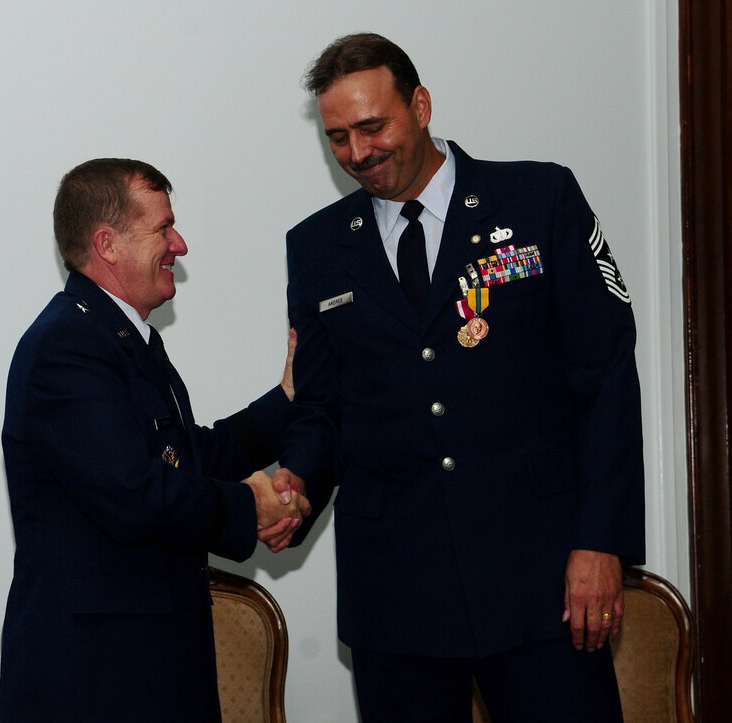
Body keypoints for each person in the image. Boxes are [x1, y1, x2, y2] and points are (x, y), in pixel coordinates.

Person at [273, 33, 645, 721]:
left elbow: (604, 378)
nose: (358, 153)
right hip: (397, 592)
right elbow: (323, 407)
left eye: (372, 126)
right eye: (337, 138)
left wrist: (601, 538)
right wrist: (292, 485)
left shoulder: (538, 198)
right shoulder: (318, 247)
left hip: (541, 580)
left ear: (420, 105)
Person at [0, 158, 309, 722]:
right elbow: (135, 495)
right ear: (107, 244)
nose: (179, 244)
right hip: (97, 682)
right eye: (163, 228)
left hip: (148, 668)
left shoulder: (118, 338)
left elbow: (190, 456)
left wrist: (288, 401)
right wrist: (251, 505)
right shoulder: (66, 348)